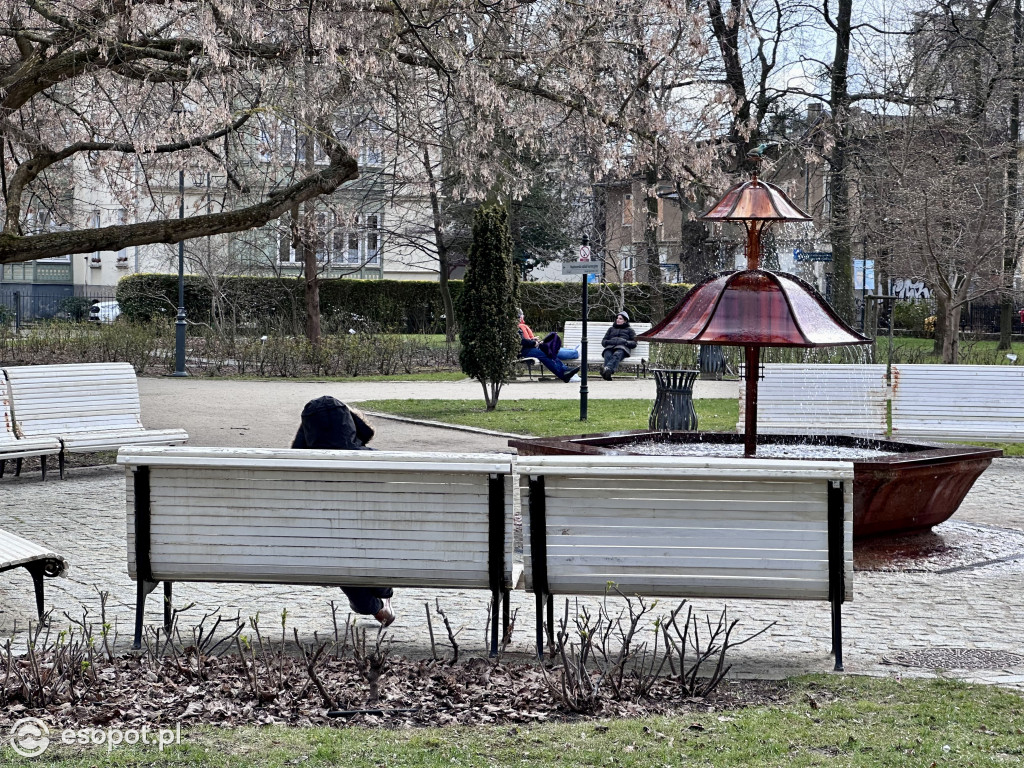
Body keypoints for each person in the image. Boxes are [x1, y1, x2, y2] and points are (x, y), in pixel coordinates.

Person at [290, 395, 395, 627]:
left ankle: (373, 607)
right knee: (361, 544)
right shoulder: (381, 461)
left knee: (336, 548)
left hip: (317, 551)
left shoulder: (295, 468)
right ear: (349, 423)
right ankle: (381, 594)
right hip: (376, 548)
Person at [518, 308, 580, 383]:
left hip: (525, 349)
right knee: (544, 353)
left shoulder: (514, 326)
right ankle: (563, 374)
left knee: (547, 352)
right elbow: (521, 341)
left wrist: (532, 341)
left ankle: (565, 370)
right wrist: (533, 343)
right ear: (520, 317)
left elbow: (521, 340)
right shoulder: (513, 327)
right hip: (523, 351)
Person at [600, 310, 637, 380]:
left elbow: (634, 343)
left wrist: (625, 342)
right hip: (610, 347)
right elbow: (603, 342)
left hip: (622, 349)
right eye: (617, 318)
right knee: (607, 353)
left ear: (625, 320)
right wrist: (612, 341)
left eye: (620, 319)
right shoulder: (611, 329)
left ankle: (606, 369)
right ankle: (608, 373)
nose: (617, 320)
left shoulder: (630, 330)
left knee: (617, 354)